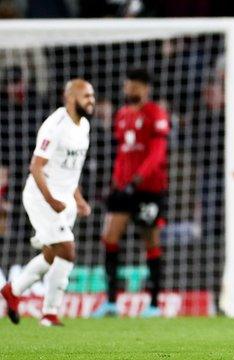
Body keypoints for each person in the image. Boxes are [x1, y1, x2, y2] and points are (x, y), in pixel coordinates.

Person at [1, 79, 94, 326]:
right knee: (68, 250)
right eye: (86, 96)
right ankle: (50, 313)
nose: (91, 101)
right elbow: (36, 166)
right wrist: (51, 200)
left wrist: (79, 199)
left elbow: (69, 170)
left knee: (52, 255)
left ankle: (12, 291)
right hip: (42, 195)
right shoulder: (55, 125)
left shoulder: (84, 126)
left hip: (65, 198)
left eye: (92, 96)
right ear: (71, 98)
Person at [92, 69, 170, 318]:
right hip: (123, 189)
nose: (131, 89)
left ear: (146, 88)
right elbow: (123, 154)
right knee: (109, 237)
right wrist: (116, 182)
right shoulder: (122, 114)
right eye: (129, 84)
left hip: (148, 189)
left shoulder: (155, 113)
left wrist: (137, 179)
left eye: (136, 85)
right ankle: (112, 302)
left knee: (151, 242)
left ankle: (155, 304)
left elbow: (157, 153)